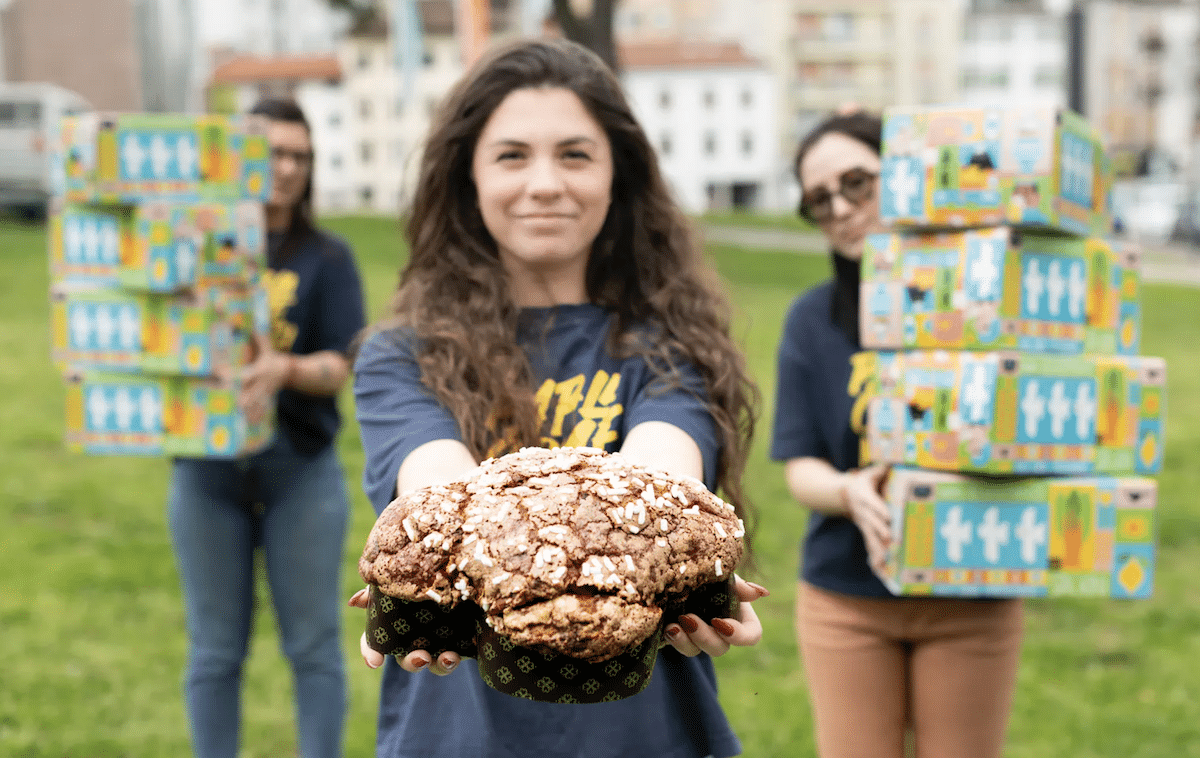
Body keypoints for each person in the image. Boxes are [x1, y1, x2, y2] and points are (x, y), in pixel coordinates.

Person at [347, 38, 766, 758]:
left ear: (617, 177)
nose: (544, 183)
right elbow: (438, 494)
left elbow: (661, 480)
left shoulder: (674, 344)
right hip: (456, 735)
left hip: (646, 734)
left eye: (575, 154)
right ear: (467, 178)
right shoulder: (401, 355)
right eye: (512, 155)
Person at [771, 110, 1024, 758]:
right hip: (846, 595)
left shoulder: (988, 302)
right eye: (819, 202)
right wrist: (852, 491)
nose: (842, 209)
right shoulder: (811, 320)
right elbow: (799, 465)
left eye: (858, 182)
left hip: (970, 587)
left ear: (909, 174)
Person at [166, 98, 366, 758]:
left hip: (299, 469)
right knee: (213, 650)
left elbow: (340, 365)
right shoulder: (192, 247)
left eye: (299, 157)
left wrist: (284, 369)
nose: (286, 169)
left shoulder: (327, 259)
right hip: (205, 469)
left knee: (313, 647)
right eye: (273, 153)